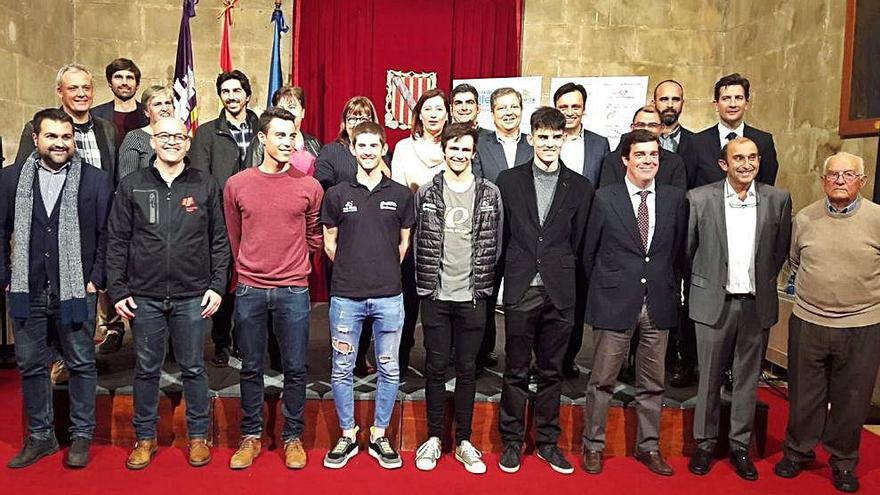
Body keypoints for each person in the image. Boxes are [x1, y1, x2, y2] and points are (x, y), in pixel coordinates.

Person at [107, 117, 230, 470]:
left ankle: (197, 437)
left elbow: (219, 242)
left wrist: (217, 285)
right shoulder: (132, 185)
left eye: (178, 136)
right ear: (153, 142)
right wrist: (117, 290)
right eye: (164, 136)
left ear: (187, 143)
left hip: (192, 294)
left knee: (193, 368)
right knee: (146, 369)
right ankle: (144, 438)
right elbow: (116, 241)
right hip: (143, 295)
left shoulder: (205, 185)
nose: (172, 141)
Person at [1, 108, 113, 469]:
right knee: (31, 365)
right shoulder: (10, 179)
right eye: (52, 136)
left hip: (77, 290)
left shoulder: (95, 180)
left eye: (67, 137)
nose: (60, 143)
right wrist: (5, 276)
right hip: (27, 290)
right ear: (36, 139)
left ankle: (81, 436)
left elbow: (106, 235)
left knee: (81, 363)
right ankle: (40, 437)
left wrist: (96, 278)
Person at [581, 130, 687, 477]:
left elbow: (678, 252)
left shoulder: (674, 198)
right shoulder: (605, 198)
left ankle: (649, 446)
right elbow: (589, 254)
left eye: (653, 155)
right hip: (614, 301)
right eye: (640, 154)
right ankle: (593, 445)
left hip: (658, 301)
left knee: (653, 382)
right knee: (602, 381)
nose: (647, 160)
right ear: (625, 159)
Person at [685, 137, 792, 480]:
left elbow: (779, 252)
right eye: (738, 158)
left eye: (752, 158)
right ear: (723, 164)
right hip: (713, 303)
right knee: (709, 378)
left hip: (755, 305)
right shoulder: (699, 198)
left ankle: (740, 446)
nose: (746, 164)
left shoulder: (778, 200)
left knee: (747, 381)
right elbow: (688, 252)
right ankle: (704, 443)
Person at [224, 108, 324, 470]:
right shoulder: (238, 184)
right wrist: (249, 266)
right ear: (262, 138)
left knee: (296, 368)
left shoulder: (309, 186)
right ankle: (250, 436)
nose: (286, 142)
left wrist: (294, 263)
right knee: (250, 366)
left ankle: (292, 437)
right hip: (250, 288)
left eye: (292, 135)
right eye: (279, 135)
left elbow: (314, 235)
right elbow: (233, 235)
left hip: (294, 290)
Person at [775, 152, 880, 493]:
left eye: (847, 175)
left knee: (852, 397)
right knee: (805, 393)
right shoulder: (805, 218)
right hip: (809, 320)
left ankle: (843, 460)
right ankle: (797, 451)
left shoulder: (877, 219)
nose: (839, 181)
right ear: (823, 181)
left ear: (861, 181)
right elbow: (794, 262)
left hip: (861, 324)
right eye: (832, 175)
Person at [496, 107, 593, 475]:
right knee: (516, 369)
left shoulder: (581, 186)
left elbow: (581, 241)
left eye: (557, 137)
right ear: (531, 138)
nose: (549, 143)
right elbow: (503, 235)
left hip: (560, 291)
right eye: (543, 136)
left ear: (564, 138)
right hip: (521, 287)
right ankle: (512, 440)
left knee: (552, 371)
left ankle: (548, 441)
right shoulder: (508, 180)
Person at [14, 64, 121, 372]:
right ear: (60, 92)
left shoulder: (106, 128)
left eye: (86, 87)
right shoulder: (37, 129)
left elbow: (110, 176)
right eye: (73, 88)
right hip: (51, 231)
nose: (81, 93)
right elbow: (25, 180)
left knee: (82, 316)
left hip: (90, 230)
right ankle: (59, 361)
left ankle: (78, 360)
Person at [322, 122, 414, 470]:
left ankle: (378, 435)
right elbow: (329, 243)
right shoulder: (337, 194)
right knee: (342, 367)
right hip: (346, 296)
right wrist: (353, 266)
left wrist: (382, 268)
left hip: (390, 296)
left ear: (383, 148)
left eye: (374, 145)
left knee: (389, 369)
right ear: (353, 149)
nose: (368, 151)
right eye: (362, 145)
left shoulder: (402, 194)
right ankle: (347, 434)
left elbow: (404, 243)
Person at [412, 123, 503, 474]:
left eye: (466, 149)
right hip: (436, 295)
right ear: (444, 150)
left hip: (473, 297)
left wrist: (481, 285)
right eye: (454, 148)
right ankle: (434, 438)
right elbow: (419, 239)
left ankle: (463, 440)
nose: (459, 155)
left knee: (467, 371)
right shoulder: (427, 192)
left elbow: (495, 244)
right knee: (435, 369)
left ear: (474, 153)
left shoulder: (490, 193)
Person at [313, 96, 390, 375]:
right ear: (344, 122)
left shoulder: (381, 152)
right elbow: (321, 186)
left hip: (376, 240)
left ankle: (361, 356)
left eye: (363, 117)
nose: (357, 122)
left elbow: (389, 186)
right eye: (352, 117)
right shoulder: (332, 151)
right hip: (342, 235)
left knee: (373, 300)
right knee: (345, 304)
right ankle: (344, 354)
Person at [191, 70, 259, 368]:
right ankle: (221, 342)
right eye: (226, 91)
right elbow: (200, 178)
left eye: (237, 91)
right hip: (221, 216)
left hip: (257, 218)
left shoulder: (262, 127)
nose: (231, 97)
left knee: (250, 282)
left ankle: (246, 340)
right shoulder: (207, 132)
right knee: (223, 280)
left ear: (247, 94)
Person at [472, 86, 534, 372]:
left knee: (523, 300)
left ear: (522, 110)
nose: (509, 113)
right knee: (486, 293)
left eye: (514, 107)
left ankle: (521, 356)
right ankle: (483, 351)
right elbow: (478, 186)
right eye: (502, 108)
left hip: (527, 236)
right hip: (491, 233)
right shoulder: (481, 145)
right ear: (492, 113)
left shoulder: (534, 144)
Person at [391, 88, 450, 377]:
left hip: (448, 235)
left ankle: (437, 363)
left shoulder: (454, 147)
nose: (434, 114)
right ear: (419, 115)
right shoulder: (404, 147)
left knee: (439, 302)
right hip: (411, 233)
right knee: (407, 301)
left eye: (440, 109)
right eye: (428, 109)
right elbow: (401, 192)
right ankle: (400, 359)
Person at [653, 79, 699, 388]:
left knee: (684, 301)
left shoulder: (699, 144)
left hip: (686, 232)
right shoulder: (636, 145)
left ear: (683, 103)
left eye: (676, 99)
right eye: (664, 99)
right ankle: (659, 359)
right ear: (654, 102)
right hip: (648, 234)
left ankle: (683, 361)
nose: (670, 104)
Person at [688, 73, 779, 188]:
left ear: (746, 104)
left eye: (738, 98)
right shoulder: (696, 143)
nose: (733, 104)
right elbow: (690, 188)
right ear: (716, 105)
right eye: (726, 98)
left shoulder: (764, 141)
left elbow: (767, 187)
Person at [597, 105, 687, 190]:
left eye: (652, 125)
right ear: (632, 128)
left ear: (662, 128)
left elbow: (677, 201)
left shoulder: (675, 163)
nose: (646, 129)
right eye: (640, 125)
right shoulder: (613, 161)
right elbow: (607, 197)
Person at [244, 85, 322, 168]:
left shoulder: (314, 143)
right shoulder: (261, 142)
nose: (286, 112)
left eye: (291, 107)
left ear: (302, 112)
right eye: (281, 108)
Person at [553, 82, 610, 186]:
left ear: (584, 109)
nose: (569, 113)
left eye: (575, 107)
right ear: (555, 110)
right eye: (563, 108)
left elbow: (604, 186)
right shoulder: (543, 141)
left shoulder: (600, 144)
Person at [115, 86, 175, 184]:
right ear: (147, 112)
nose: (165, 108)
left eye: (168, 103)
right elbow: (127, 180)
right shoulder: (135, 137)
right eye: (157, 104)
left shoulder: (181, 138)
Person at [91, 58, 148, 146]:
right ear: (110, 83)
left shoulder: (148, 114)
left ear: (137, 84)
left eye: (129, 78)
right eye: (118, 77)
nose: (124, 82)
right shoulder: (95, 115)